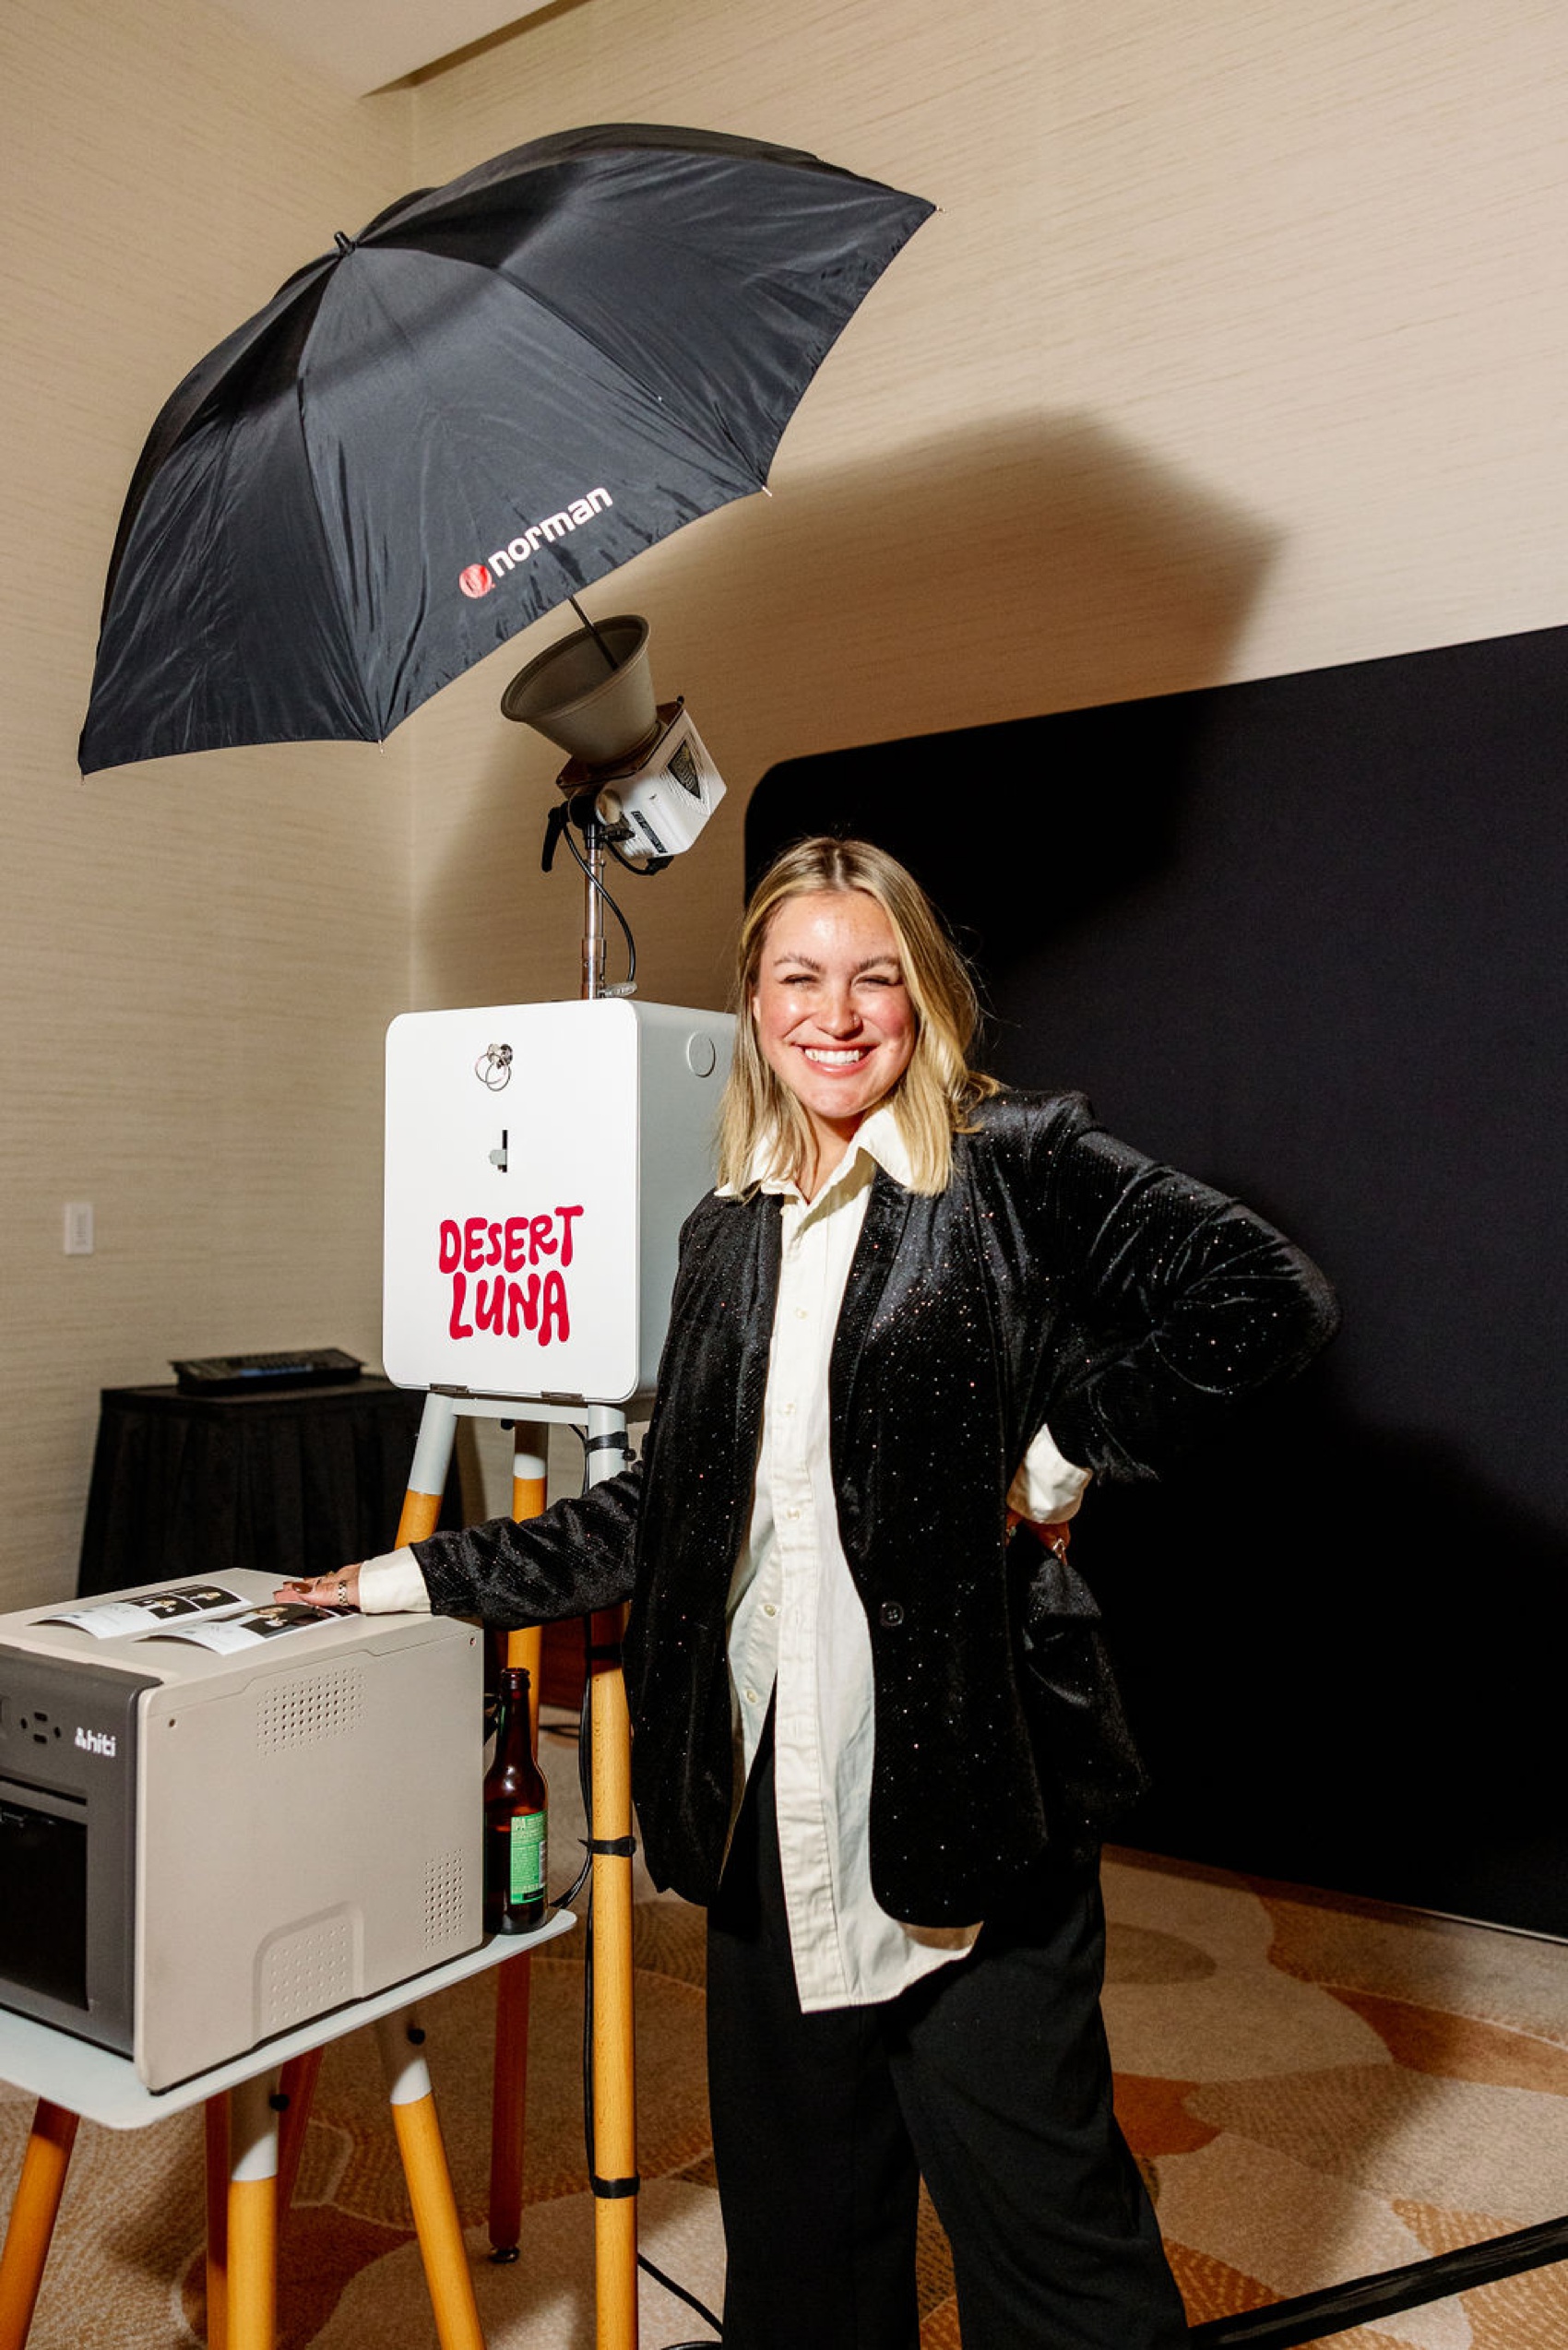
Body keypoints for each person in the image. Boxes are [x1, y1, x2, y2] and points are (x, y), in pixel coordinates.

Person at [282, 836, 1337, 2349]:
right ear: (755, 1005)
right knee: (802, 2249)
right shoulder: (726, 1235)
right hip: (765, 1804)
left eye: (874, 978)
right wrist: (407, 1575)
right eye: (798, 978)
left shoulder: (1014, 1168)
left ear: (925, 997)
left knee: (1054, 2255)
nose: (835, 1015)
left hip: (970, 1790)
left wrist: (1057, 1462)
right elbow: (666, 1511)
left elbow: (1266, 1294)